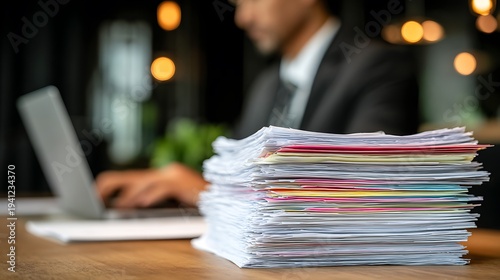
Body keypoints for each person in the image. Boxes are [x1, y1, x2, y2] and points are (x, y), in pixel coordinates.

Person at [96, 0, 419, 209]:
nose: (242, 17)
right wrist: (167, 186)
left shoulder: (378, 66)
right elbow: (240, 174)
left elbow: (366, 188)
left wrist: (206, 192)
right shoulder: (267, 85)